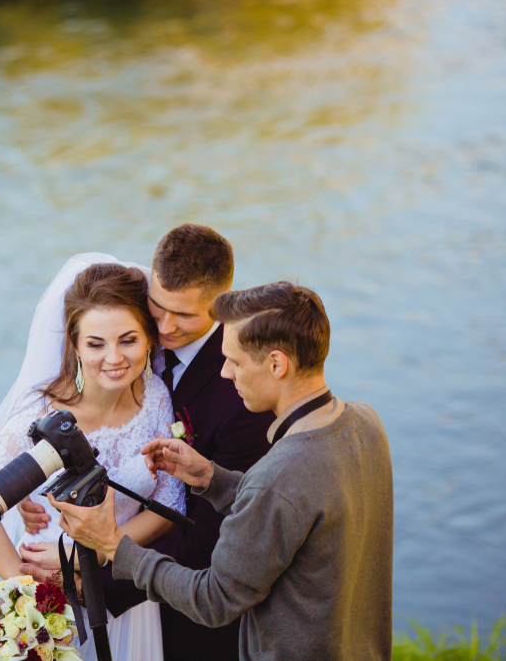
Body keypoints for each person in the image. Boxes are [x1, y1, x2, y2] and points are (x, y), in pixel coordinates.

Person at [48, 282, 395, 661]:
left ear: (277, 364)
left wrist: (114, 545)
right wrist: (213, 477)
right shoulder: (365, 421)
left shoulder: (277, 477)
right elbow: (295, 506)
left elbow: (213, 600)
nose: (226, 373)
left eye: (235, 361)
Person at [16, 225, 273, 661]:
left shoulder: (242, 397)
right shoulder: (130, 337)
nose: (166, 327)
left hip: (178, 612)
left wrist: (87, 570)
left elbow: (209, 541)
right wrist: (32, 488)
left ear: (221, 305)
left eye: (186, 316)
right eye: (157, 306)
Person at [0, 256, 185, 661]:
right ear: (75, 345)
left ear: (149, 339)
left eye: (127, 340)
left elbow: (169, 505)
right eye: (95, 344)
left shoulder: (156, 400)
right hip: (53, 601)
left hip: (126, 593)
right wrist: (25, 587)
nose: (113, 358)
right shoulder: (41, 415)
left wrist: (89, 555)